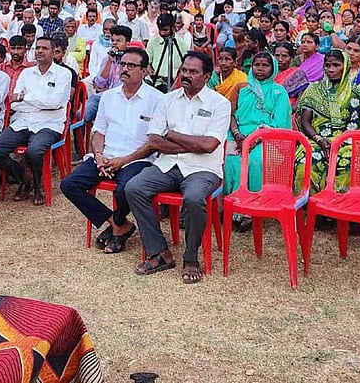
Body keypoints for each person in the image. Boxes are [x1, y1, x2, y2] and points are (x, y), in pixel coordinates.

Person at [127, 51, 228, 284]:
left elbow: (209, 145)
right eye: (184, 70)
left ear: (207, 76)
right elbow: (154, 141)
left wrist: (171, 135)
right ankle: (159, 252)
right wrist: (191, 144)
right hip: (168, 164)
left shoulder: (219, 104)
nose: (186, 75)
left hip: (203, 169)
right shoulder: (167, 99)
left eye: (193, 72)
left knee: (193, 198)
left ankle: (191, 258)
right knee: (134, 188)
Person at [60, 47, 161, 254]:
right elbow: (99, 131)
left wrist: (123, 161)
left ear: (144, 71)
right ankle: (118, 224)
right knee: (69, 184)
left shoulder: (157, 99)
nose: (124, 69)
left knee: (125, 189)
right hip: (105, 156)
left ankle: (117, 227)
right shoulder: (109, 96)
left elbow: (153, 143)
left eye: (131, 65)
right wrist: (98, 155)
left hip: (137, 159)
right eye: (122, 64)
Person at [0, 37, 72, 205]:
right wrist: (39, 103)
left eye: (45, 48)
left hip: (49, 124)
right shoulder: (26, 73)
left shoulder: (63, 74)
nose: (40, 51)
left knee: (34, 151)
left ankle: (38, 185)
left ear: (53, 51)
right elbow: (15, 102)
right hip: (23, 121)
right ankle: (25, 178)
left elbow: (55, 103)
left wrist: (26, 97)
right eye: (37, 48)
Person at [296, 50, 360, 193]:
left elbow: (359, 127)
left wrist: (337, 142)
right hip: (316, 139)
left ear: (346, 66)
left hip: (348, 142)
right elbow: (305, 121)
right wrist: (319, 139)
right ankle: (311, 210)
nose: (330, 69)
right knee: (304, 166)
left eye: (336, 65)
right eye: (327, 65)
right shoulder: (314, 90)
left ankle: (338, 209)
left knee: (349, 165)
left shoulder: (356, 93)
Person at [223, 51, 292, 198]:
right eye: (256, 65)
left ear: (273, 68)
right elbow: (231, 114)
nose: (260, 69)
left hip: (267, 137)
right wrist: (237, 135)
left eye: (265, 65)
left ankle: (252, 203)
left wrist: (255, 138)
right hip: (238, 135)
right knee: (229, 161)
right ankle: (231, 203)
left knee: (256, 161)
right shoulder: (242, 89)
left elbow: (280, 123)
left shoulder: (278, 92)